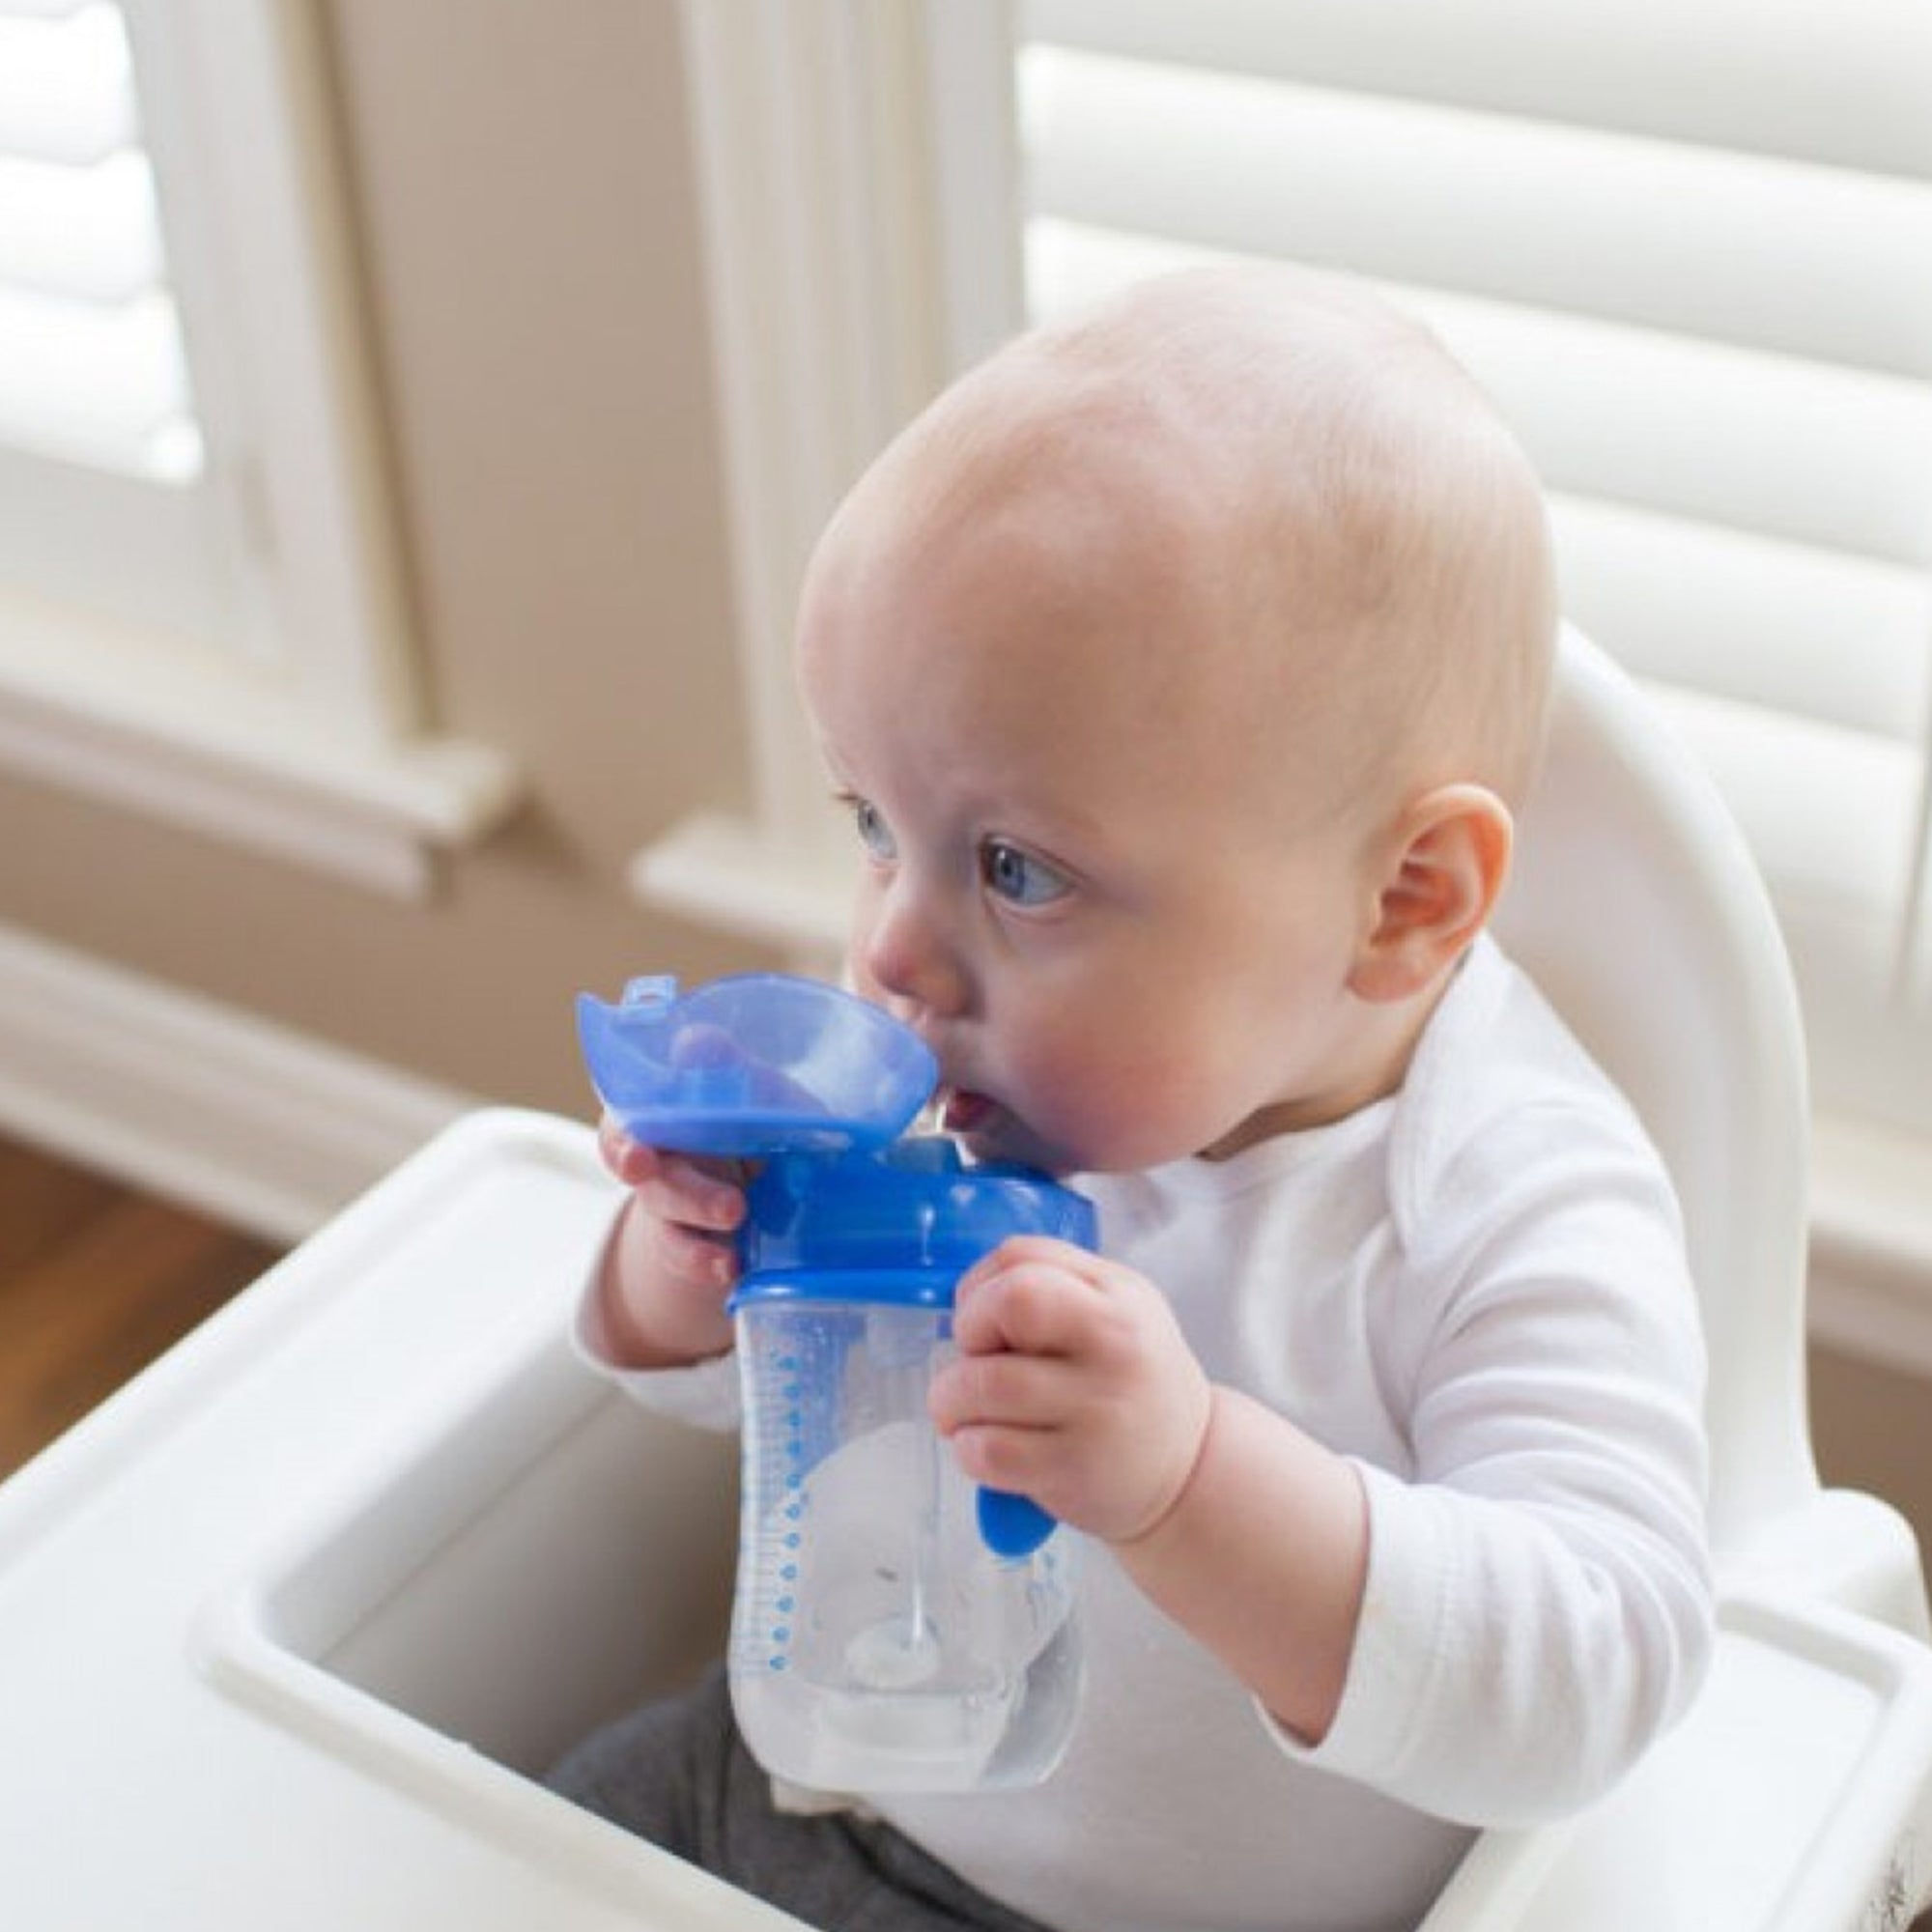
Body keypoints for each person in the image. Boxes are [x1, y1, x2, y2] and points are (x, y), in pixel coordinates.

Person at [550, 264, 1714, 1932]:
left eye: (1016, 867)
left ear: (1403, 903)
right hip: (788, 1783)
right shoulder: (973, 1082)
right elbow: (739, 1411)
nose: (890, 951)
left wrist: (1188, 1483)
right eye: (875, 821)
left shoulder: (1502, 1199)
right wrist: (690, 1264)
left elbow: (1602, 1663)